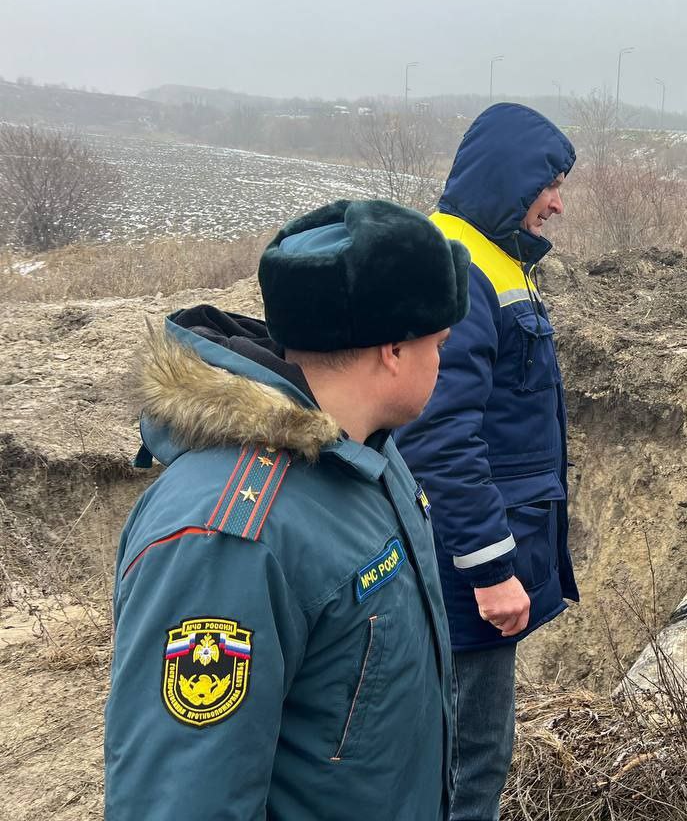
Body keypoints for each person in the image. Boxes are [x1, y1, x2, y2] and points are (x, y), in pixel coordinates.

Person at [104, 199, 470, 819]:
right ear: (393, 351)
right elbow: (182, 800)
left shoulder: (362, 453)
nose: (444, 359)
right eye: (439, 342)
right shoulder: (227, 538)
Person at [396, 102, 579, 821]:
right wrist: (491, 569)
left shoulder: (491, 257)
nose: (559, 202)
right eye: (550, 182)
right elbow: (439, 436)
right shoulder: (462, 269)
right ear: (511, 178)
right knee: (471, 761)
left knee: (462, 750)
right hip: (465, 575)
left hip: (475, 560)